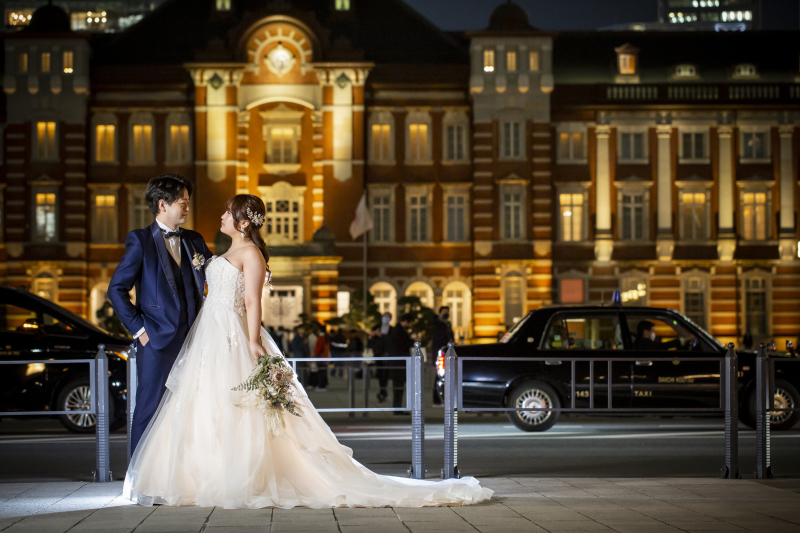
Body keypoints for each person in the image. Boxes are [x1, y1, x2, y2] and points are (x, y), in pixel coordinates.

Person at [123, 193, 492, 508]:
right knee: (202, 405)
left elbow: (252, 301)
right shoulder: (226, 250)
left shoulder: (251, 254)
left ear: (243, 223)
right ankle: (198, 474)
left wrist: (253, 343)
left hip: (234, 336)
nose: (220, 216)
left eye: (227, 212)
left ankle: (235, 476)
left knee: (239, 408)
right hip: (209, 336)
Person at [107, 174, 212, 454]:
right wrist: (140, 331)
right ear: (163, 205)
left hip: (193, 341)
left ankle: (177, 476)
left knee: (189, 409)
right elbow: (116, 289)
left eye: (188, 202)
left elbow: (215, 275)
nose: (188, 208)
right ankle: (139, 480)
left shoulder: (195, 240)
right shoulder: (140, 240)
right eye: (183, 202)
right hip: (155, 342)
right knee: (149, 409)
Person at [388, 314, 415, 414]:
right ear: (405, 322)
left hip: (398, 364)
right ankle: (397, 409)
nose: (409, 325)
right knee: (398, 387)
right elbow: (403, 344)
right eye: (409, 323)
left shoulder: (398, 330)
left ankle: (398, 408)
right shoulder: (398, 331)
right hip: (399, 364)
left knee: (399, 387)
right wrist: (413, 341)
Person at [372, 312, 393, 403]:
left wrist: (381, 336)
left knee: (386, 375)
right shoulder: (376, 328)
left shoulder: (392, 330)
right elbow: (372, 342)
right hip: (378, 355)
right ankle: (382, 392)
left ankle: (383, 392)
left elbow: (391, 342)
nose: (385, 319)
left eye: (387, 317)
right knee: (380, 375)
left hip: (388, 355)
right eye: (384, 317)